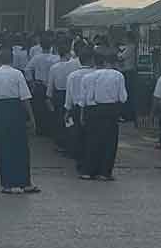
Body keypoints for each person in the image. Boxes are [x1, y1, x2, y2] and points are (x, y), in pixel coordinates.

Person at [0, 49, 40, 195]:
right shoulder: (17, 74)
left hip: (1, 111)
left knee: (5, 148)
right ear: (12, 59)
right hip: (16, 111)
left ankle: (8, 184)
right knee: (21, 148)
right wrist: (32, 117)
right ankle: (25, 182)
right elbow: (25, 98)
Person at [81, 53, 128, 181]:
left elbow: (84, 99)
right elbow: (123, 97)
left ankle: (88, 171)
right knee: (109, 142)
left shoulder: (89, 76)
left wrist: (83, 114)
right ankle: (104, 172)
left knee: (92, 140)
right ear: (110, 63)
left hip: (93, 110)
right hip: (110, 110)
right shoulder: (118, 75)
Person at [63, 51, 96, 171]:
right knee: (92, 137)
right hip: (92, 108)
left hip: (76, 108)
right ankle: (91, 162)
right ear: (91, 60)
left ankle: (80, 162)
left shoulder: (73, 75)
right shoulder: (95, 74)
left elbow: (69, 95)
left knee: (79, 136)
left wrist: (67, 110)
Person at [24, 33, 58, 136]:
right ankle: (50, 130)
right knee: (50, 109)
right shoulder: (55, 58)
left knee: (38, 108)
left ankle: (40, 129)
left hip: (39, 85)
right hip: (52, 86)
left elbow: (27, 69)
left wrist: (31, 82)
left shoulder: (36, 58)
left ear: (41, 46)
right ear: (51, 46)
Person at [47, 38, 77, 145]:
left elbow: (50, 85)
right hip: (71, 94)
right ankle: (70, 140)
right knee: (70, 118)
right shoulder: (74, 65)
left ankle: (60, 142)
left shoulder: (54, 67)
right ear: (68, 54)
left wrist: (49, 97)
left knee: (59, 119)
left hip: (58, 95)